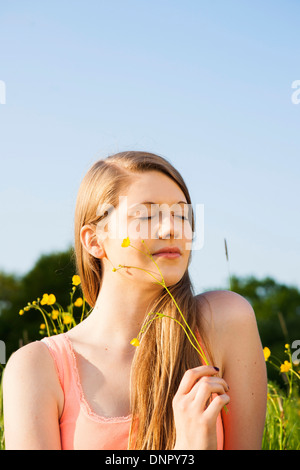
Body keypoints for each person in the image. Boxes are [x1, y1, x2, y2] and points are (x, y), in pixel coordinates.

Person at [3, 151, 267, 450]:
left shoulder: (225, 320)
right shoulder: (37, 367)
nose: (172, 229)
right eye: (146, 216)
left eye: (182, 215)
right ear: (94, 241)